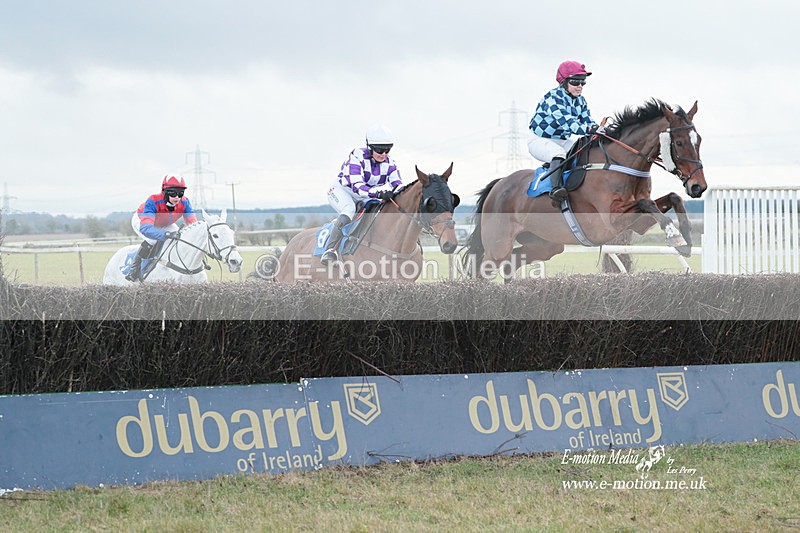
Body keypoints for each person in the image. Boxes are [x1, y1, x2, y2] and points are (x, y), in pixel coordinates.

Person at [321, 124, 403, 264]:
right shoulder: (356, 158)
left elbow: (398, 185)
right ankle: (329, 250)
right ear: (370, 147)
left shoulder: (390, 163)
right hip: (342, 191)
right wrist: (378, 193)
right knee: (349, 209)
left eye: (387, 150)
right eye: (380, 150)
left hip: (365, 195)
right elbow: (358, 187)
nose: (384, 154)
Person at [528, 60, 602, 207]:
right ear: (564, 81)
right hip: (539, 140)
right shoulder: (553, 97)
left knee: (585, 152)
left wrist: (600, 130)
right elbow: (567, 123)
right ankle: (556, 191)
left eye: (583, 82)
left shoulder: (581, 101)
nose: (580, 86)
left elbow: (588, 120)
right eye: (576, 82)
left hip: (561, 140)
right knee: (558, 153)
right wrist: (589, 130)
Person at [125, 175, 198, 282]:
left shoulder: (185, 202)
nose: (177, 197)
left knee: (179, 237)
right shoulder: (153, 200)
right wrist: (165, 234)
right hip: (142, 220)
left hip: (164, 222)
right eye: (173, 193)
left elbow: (193, 225)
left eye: (180, 193)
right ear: (164, 192)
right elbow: (146, 228)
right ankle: (134, 269)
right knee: (153, 239)